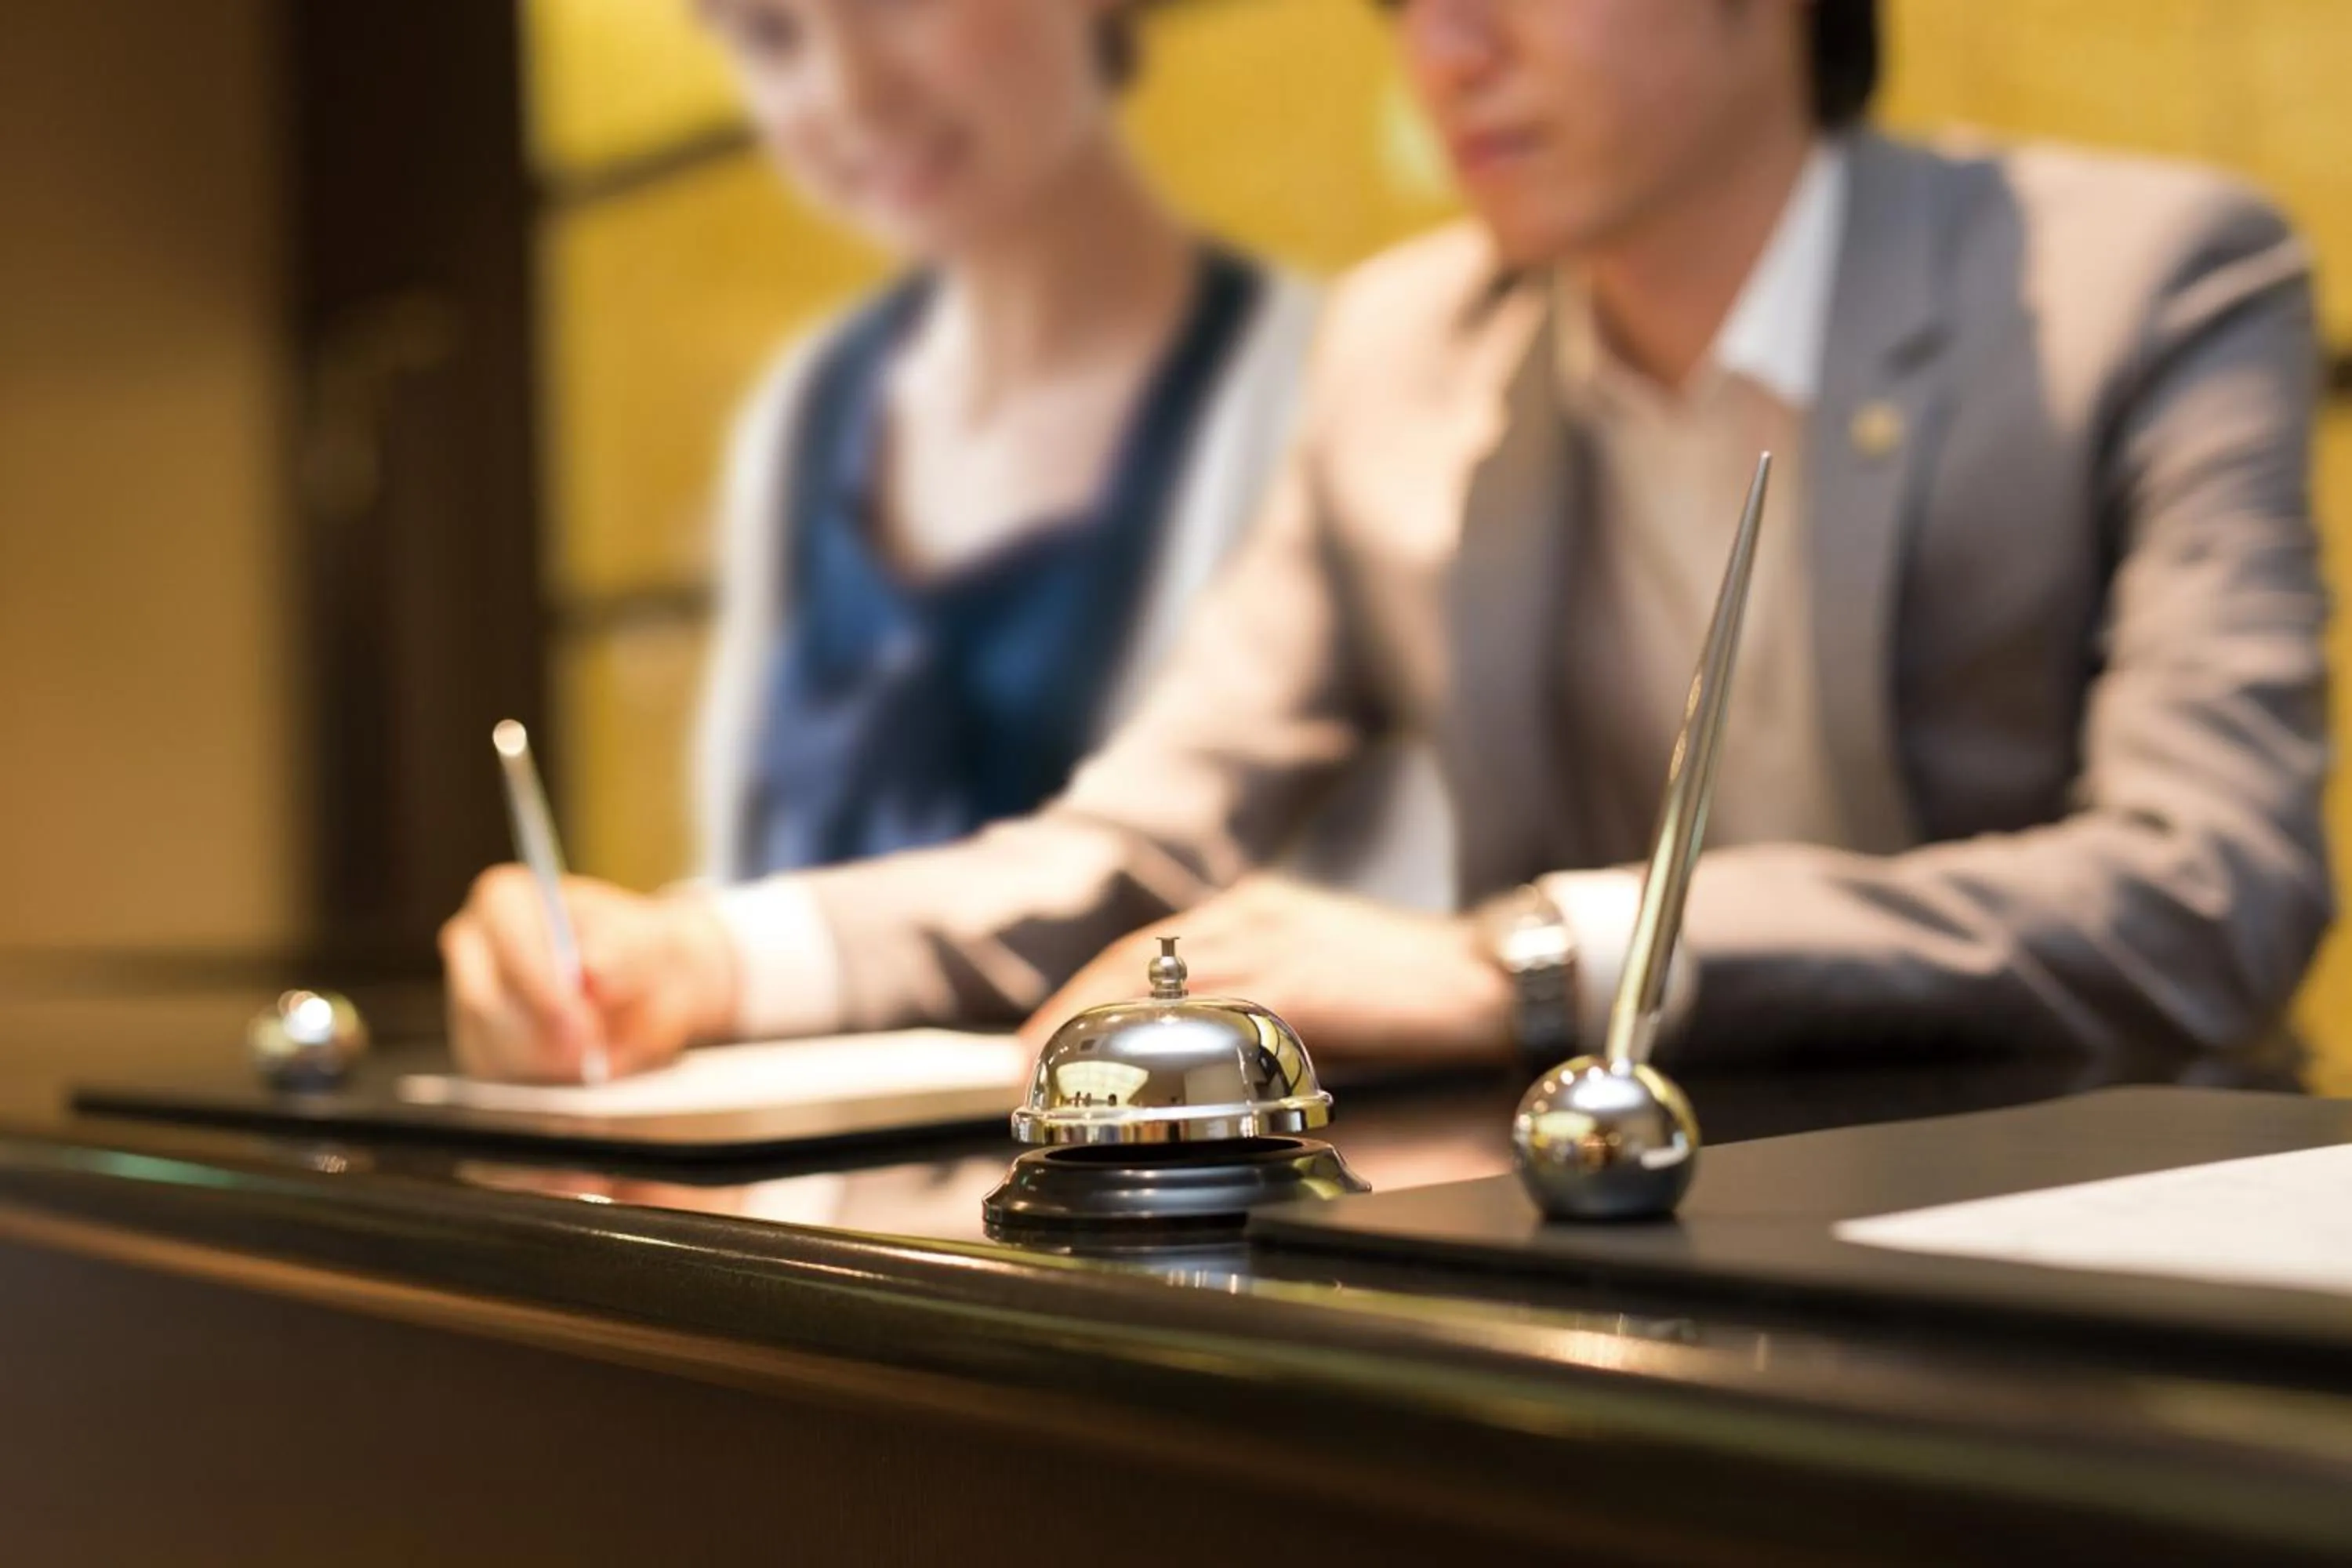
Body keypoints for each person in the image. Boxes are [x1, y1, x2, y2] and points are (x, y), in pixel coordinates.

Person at [445, 0, 2329, 1086]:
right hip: (1625, 1252)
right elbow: (1149, 836)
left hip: (2075, 1226)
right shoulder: (1408, 349)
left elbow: (2204, 894)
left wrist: (1513, 964)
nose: (1449, 51)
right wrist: (712, 955)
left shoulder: (2137, 278)